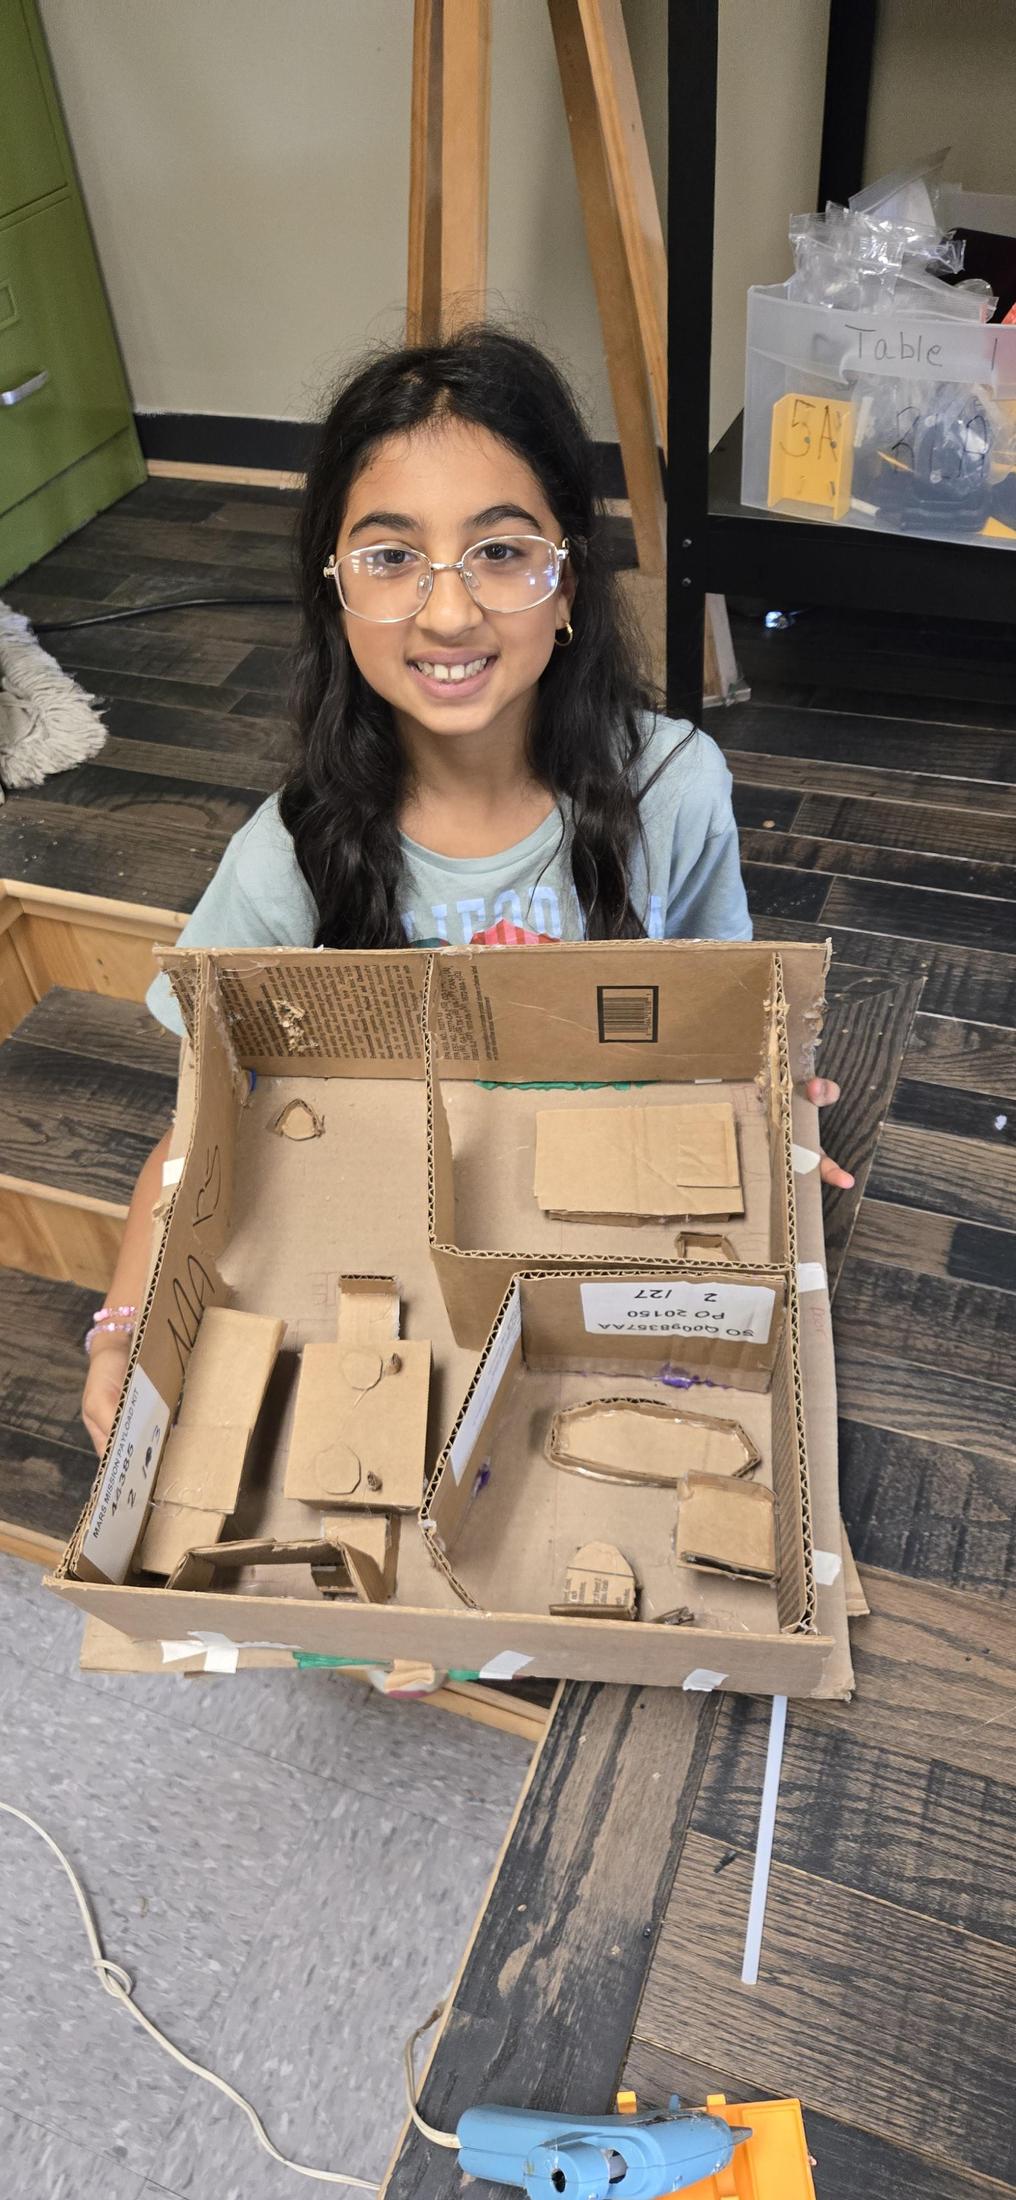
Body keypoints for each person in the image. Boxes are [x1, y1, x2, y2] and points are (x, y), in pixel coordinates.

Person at [81, 323, 851, 1453]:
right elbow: (196, 1136)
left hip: (611, 1219)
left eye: (499, 550)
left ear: (567, 582)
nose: (448, 613)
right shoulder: (286, 856)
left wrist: (770, 1098)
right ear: (335, 595)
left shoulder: (677, 785)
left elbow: (722, 1008)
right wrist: (118, 1330)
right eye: (392, 557)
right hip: (389, 1257)